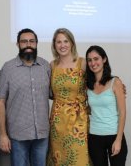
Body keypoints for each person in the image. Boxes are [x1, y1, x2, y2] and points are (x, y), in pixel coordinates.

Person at [0, 28, 51, 166]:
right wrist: (2, 134)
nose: (28, 45)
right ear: (18, 44)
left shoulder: (45, 66)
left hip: (42, 134)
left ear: (36, 43)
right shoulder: (8, 68)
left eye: (32, 41)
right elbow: (0, 101)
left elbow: (55, 94)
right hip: (18, 135)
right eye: (24, 41)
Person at [47, 28, 91, 166]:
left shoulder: (82, 63)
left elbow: (99, 81)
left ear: (72, 43)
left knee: (79, 159)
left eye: (66, 41)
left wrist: (115, 83)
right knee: (58, 158)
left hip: (79, 121)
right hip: (57, 121)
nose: (62, 45)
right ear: (54, 45)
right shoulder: (52, 65)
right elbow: (47, 92)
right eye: (58, 42)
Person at [85, 45, 128, 166]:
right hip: (94, 137)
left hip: (114, 135)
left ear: (104, 59)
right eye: (89, 60)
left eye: (96, 59)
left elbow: (123, 113)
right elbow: (91, 108)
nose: (93, 63)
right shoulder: (88, 85)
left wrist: (118, 140)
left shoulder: (115, 82)